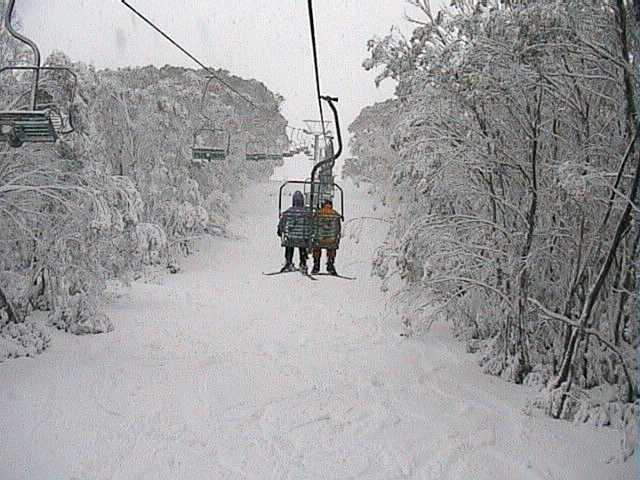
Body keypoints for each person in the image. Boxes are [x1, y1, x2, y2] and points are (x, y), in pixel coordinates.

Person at [277, 190, 309, 272]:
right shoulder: (306, 213)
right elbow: (310, 227)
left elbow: (281, 225)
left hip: (291, 238)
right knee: (303, 244)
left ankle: (288, 262)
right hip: (302, 239)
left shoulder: (287, 213)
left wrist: (280, 232)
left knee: (289, 243)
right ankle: (303, 263)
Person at [312, 198, 341, 275]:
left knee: (316, 246)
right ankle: (330, 264)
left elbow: (313, 226)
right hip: (331, 240)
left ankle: (316, 265)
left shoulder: (317, 213)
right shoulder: (335, 214)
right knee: (331, 247)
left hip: (319, 240)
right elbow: (338, 229)